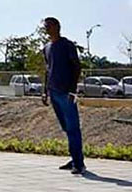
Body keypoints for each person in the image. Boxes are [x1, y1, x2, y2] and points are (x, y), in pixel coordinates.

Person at [41, 16, 84, 175]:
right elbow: (48, 69)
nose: (46, 29)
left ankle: (79, 164)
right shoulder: (46, 48)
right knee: (66, 128)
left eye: (49, 26)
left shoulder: (67, 45)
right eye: (45, 26)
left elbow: (76, 67)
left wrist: (73, 90)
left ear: (57, 27)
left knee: (73, 128)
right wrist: (45, 91)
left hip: (66, 93)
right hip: (53, 92)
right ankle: (75, 158)